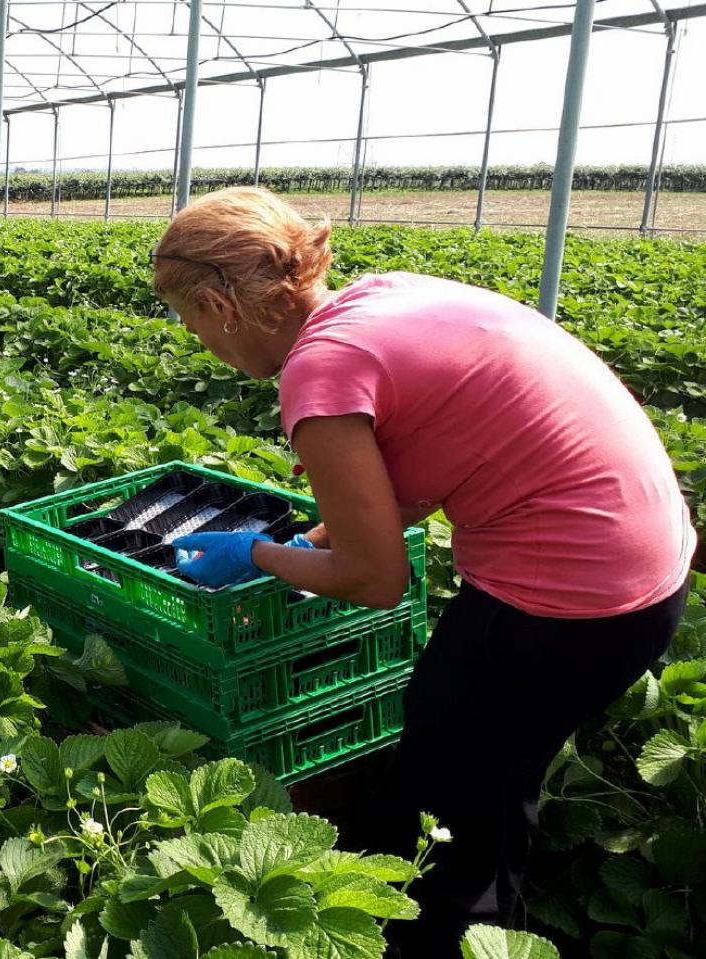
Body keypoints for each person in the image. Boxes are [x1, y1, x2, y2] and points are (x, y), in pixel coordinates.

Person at [151, 187, 694, 958]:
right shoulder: (382, 299)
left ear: (219, 304)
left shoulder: (321, 372)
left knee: (468, 795)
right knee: (457, 748)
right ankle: (421, 895)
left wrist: (258, 554)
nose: (196, 338)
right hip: (645, 558)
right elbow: (423, 468)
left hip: (573, 601)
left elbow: (378, 580)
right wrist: (314, 538)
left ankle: (457, 933)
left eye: (189, 319)